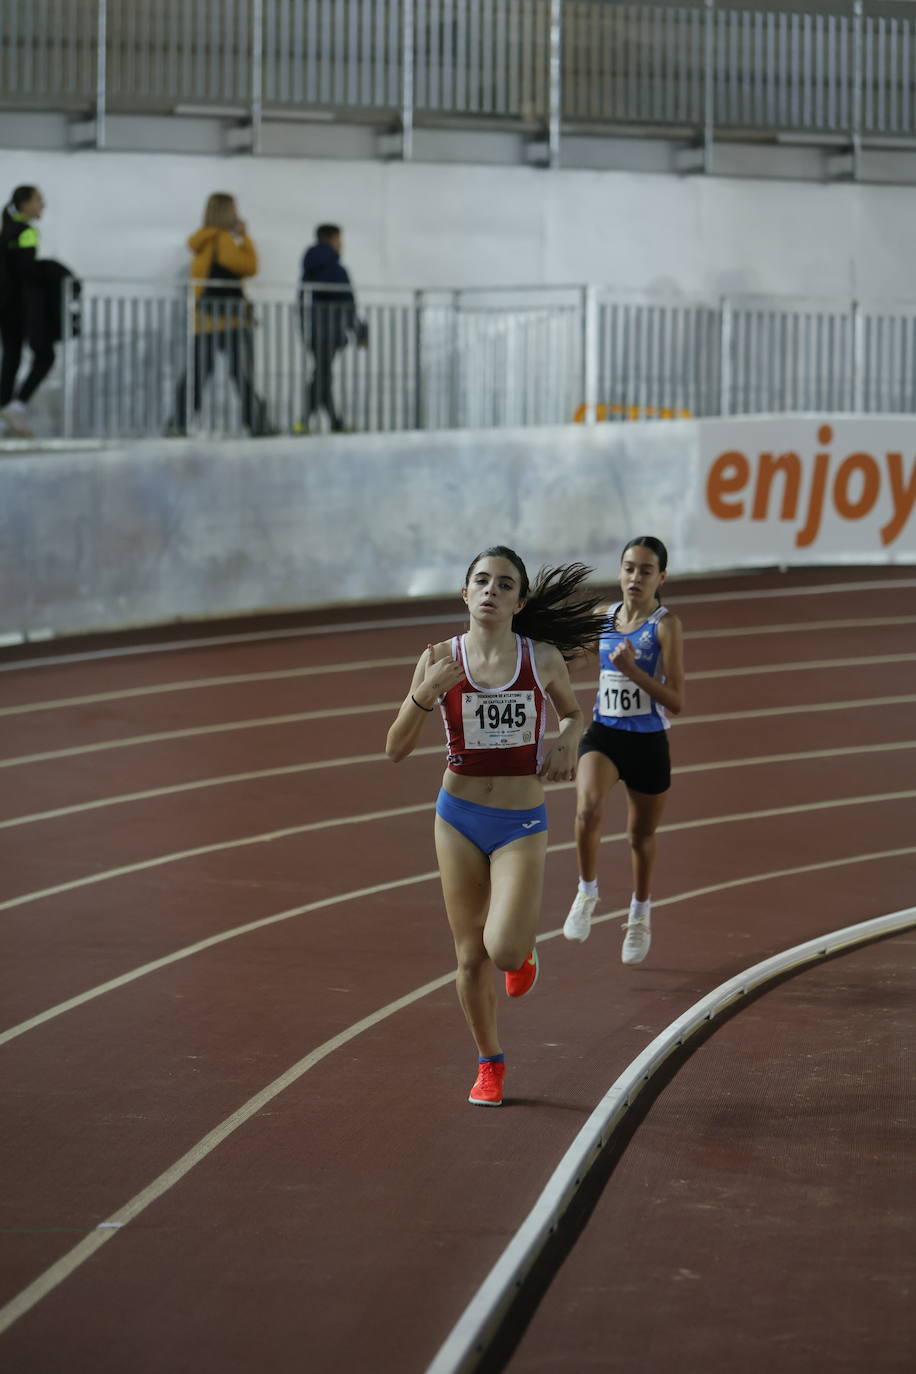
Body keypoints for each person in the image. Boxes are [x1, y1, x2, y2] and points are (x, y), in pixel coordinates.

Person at [386, 546, 601, 1108]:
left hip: (520, 820)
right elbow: (395, 749)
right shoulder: (437, 658)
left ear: (518, 601)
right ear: (465, 593)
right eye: (480, 581)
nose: (490, 591)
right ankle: (490, 1062)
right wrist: (422, 695)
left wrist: (568, 738)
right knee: (469, 955)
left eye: (504, 585)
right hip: (456, 817)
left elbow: (576, 714)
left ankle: (524, 952)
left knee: (503, 950)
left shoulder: (543, 659)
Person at [562, 536, 685, 964]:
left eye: (645, 570)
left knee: (639, 837)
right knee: (587, 809)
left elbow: (677, 700)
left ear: (660, 578)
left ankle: (639, 915)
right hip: (605, 735)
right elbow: (578, 658)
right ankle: (587, 892)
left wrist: (633, 670)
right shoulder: (604, 617)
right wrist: (540, 652)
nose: (635, 577)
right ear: (619, 572)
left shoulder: (665, 625)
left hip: (648, 742)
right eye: (629, 568)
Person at [169, 193, 273, 437]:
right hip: (231, 320)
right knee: (243, 376)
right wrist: (245, 236)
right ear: (227, 212)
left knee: (196, 376)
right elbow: (249, 266)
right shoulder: (223, 239)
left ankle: (178, 423)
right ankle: (258, 425)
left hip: (204, 320)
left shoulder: (200, 243)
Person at [0, 186, 61, 438]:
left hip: (5, 306)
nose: (42, 205)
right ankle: (15, 406)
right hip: (21, 307)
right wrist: (52, 271)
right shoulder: (26, 232)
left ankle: (5, 413)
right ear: (24, 204)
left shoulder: (6, 228)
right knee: (45, 355)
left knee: (11, 358)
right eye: (38, 200)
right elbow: (27, 269)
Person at [298, 223, 367, 433]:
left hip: (312, 330)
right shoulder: (337, 270)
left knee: (323, 376)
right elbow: (348, 304)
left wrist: (303, 329)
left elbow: (302, 301)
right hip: (331, 331)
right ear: (330, 241)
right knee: (322, 377)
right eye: (339, 240)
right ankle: (303, 422)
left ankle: (331, 422)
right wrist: (360, 331)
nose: (341, 246)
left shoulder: (308, 269)